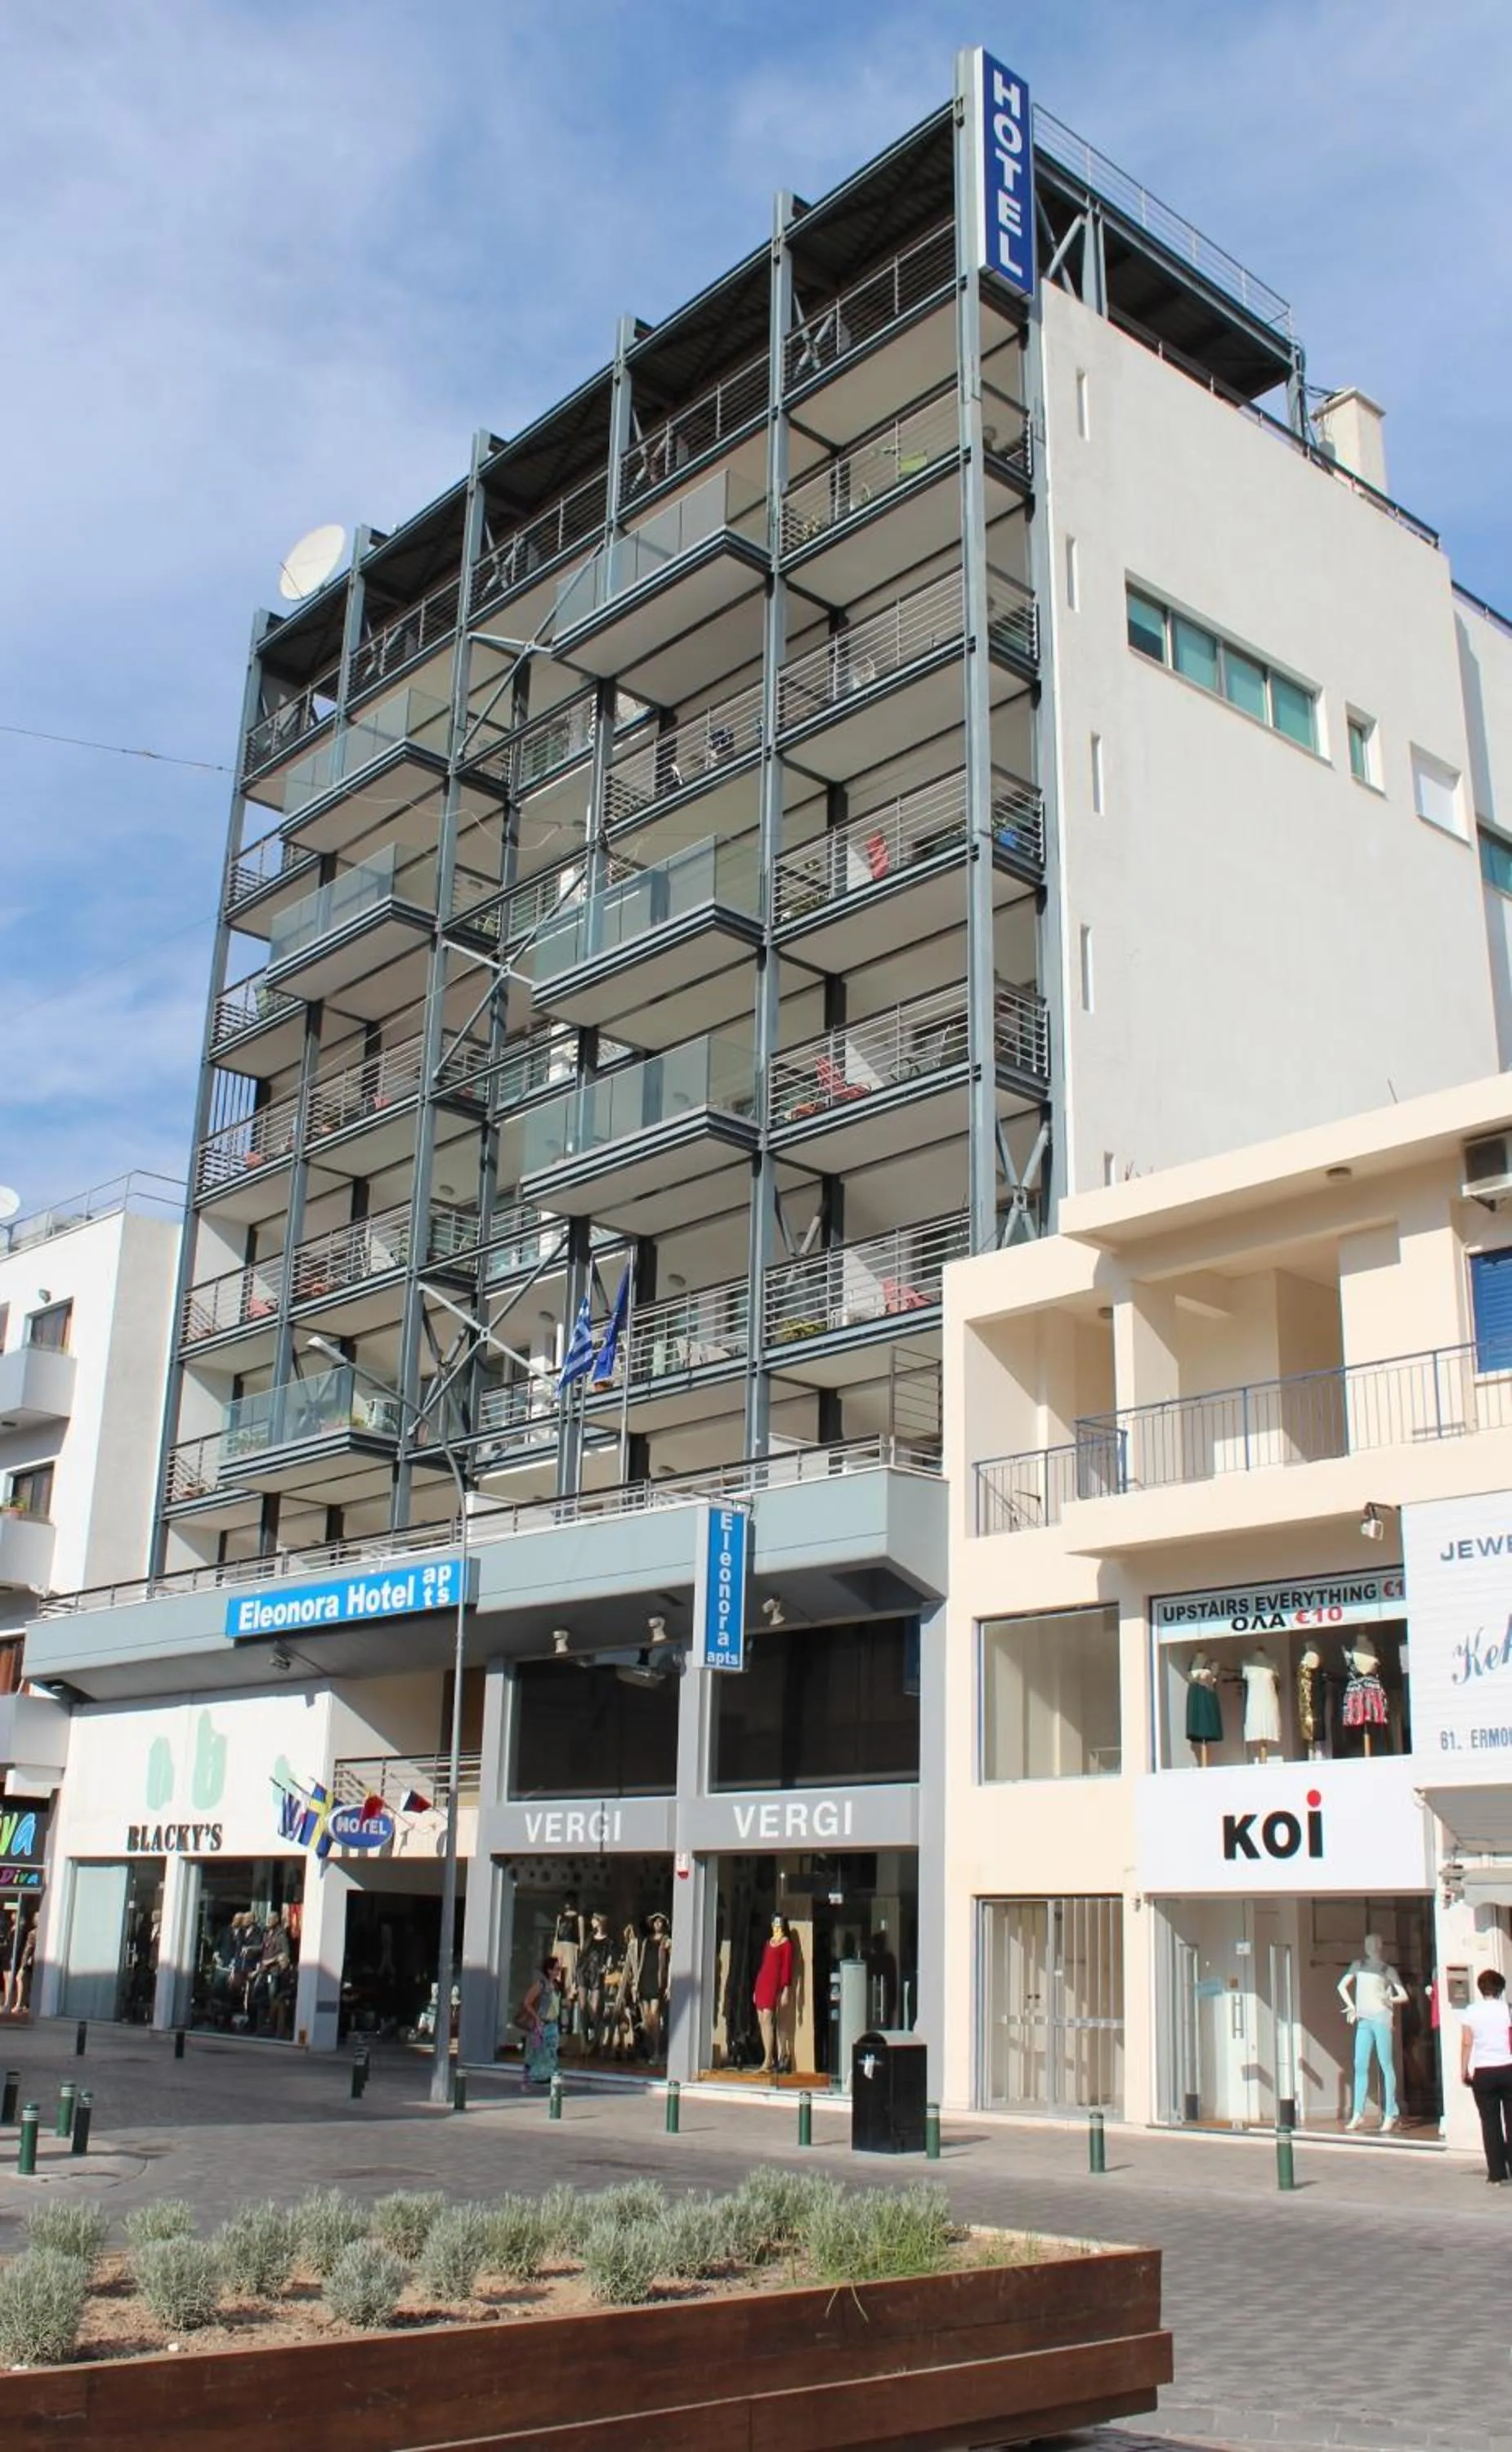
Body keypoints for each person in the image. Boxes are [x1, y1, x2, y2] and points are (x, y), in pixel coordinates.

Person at [1460, 1967, 1512, 2184]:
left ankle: (1496, 2173)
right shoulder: (1508, 2009)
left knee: (1490, 2123)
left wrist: (1464, 2069)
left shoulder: (1471, 2011)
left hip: (1483, 2071)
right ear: (1501, 1988)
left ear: (1481, 1988)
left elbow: (1467, 2042)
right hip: (1508, 2068)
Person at [518, 1955, 564, 2089]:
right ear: (549, 1970)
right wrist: (536, 2018)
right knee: (534, 2053)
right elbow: (527, 2002)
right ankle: (526, 2080)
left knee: (552, 2054)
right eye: (556, 1969)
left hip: (553, 2023)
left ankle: (554, 2084)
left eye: (559, 1969)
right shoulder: (541, 1984)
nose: (558, 1972)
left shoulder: (556, 1986)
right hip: (541, 2024)